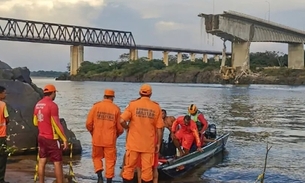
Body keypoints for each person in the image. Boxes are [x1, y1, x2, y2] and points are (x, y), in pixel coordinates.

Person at [120, 84, 164, 183]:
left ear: (140, 93)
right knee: (147, 171)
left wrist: (127, 128)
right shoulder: (156, 107)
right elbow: (159, 129)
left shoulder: (132, 105)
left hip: (133, 144)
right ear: (151, 94)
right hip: (148, 145)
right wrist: (158, 144)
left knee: (129, 169)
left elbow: (121, 120)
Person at [86, 89, 124, 183]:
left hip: (97, 138)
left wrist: (93, 133)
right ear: (112, 98)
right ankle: (109, 180)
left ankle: (99, 177)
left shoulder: (96, 107)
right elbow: (120, 128)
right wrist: (116, 135)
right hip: (110, 140)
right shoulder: (116, 109)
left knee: (96, 158)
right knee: (110, 161)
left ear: (104, 96)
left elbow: (88, 124)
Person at [33, 84, 68, 183]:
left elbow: (35, 122)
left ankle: (41, 182)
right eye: (55, 93)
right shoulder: (52, 105)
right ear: (53, 93)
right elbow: (56, 124)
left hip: (41, 137)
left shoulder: (38, 104)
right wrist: (64, 139)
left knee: (42, 161)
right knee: (57, 163)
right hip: (51, 138)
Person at [0, 86, 9, 183]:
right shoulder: (2, 105)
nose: (5, 94)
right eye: (4, 92)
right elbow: (7, 118)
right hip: (1, 135)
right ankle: (1, 179)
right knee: (2, 157)